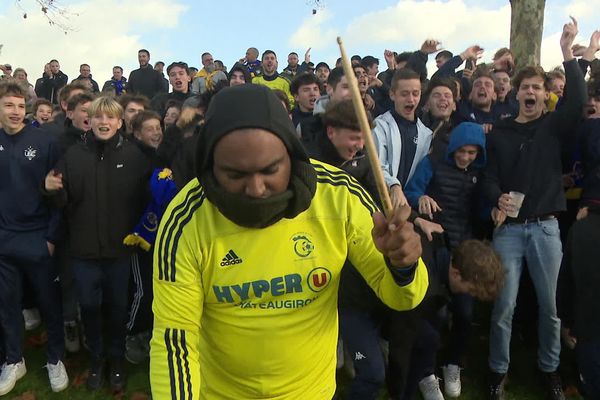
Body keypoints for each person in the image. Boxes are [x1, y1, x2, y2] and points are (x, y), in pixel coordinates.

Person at [149, 84, 428, 399]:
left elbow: (402, 298)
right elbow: (175, 339)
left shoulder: (339, 195)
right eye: (235, 174)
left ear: (292, 155)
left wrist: (403, 266)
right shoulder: (186, 219)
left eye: (270, 170)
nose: (255, 189)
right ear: (210, 165)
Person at [482, 18, 586, 400]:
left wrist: (567, 52)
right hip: (508, 230)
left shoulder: (554, 127)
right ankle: (497, 371)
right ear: (517, 95)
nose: (530, 92)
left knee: (551, 308)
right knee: (503, 307)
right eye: (525, 87)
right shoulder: (503, 131)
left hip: (546, 229)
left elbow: (576, 100)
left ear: (545, 96)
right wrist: (496, 198)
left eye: (537, 88)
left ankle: (550, 369)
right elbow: (489, 177)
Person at [44, 96, 151, 391]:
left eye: (110, 118)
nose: (104, 123)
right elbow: (62, 201)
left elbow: (147, 203)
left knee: (117, 307)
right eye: (98, 117)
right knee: (89, 306)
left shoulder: (135, 157)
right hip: (83, 251)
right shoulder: (73, 155)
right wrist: (51, 189)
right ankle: (97, 359)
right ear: (89, 121)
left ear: (119, 122)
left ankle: (116, 360)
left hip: (119, 252)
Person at [0, 81, 68, 395]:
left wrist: (52, 236)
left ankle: (54, 358)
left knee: (48, 303)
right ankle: (14, 358)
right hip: (3, 239)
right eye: (8, 105)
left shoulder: (44, 141)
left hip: (38, 237)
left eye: (19, 105)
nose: (15, 112)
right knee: (6, 303)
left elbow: (59, 192)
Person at [373, 68, 433, 209]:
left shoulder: (426, 134)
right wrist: (394, 185)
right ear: (392, 94)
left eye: (415, 94)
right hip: (379, 202)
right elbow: (377, 165)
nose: (411, 99)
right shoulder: (380, 126)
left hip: (409, 207)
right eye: (404, 94)